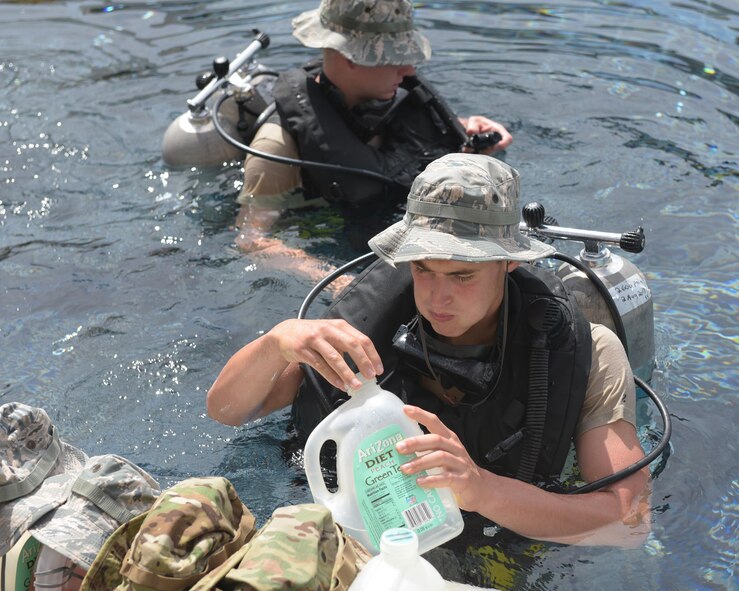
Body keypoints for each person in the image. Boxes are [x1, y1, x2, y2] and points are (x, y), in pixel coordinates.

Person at [208, 153, 650, 549]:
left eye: (462, 277)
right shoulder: (362, 331)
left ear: (509, 262)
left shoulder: (588, 352)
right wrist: (276, 342)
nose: (438, 299)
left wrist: (481, 489)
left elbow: (629, 522)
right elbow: (228, 410)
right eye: (422, 270)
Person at [235, 0, 512, 286]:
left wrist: (467, 128)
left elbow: (417, 142)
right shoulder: (276, 150)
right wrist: (337, 282)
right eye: (395, 58)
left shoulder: (388, 99)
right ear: (352, 57)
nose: (408, 71)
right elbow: (252, 241)